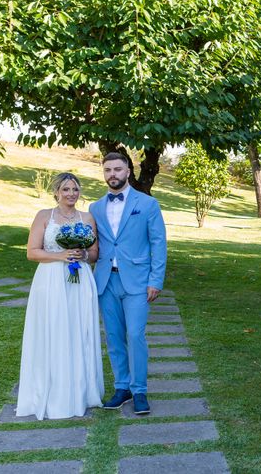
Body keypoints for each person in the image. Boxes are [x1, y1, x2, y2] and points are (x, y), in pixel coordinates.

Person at [17, 172, 104, 420]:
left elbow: (95, 253)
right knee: (53, 330)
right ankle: (53, 392)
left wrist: (82, 256)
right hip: (51, 281)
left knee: (79, 330)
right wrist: (61, 256)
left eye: (75, 189)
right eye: (65, 189)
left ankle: (81, 391)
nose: (71, 194)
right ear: (56, 192)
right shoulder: (44, 216)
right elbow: (32, 253)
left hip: (80, 281)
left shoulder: (87, 217)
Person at [90, 152, 167, 415]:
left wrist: (155, 280)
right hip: (105, 281)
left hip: (137, 281)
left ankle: (140, 390)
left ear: (128, 171)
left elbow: (158, 243)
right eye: (108, 170)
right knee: (113, 337)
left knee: (135, 335)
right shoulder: (95, 207)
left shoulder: (147, 204)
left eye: (118, 169)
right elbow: (94, 244)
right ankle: (122, 388)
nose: (112, 174)